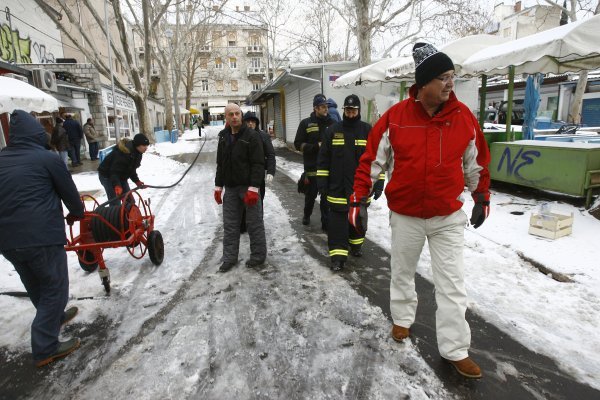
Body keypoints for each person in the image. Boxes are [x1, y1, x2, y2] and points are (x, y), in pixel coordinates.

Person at [350, 43, 491, 379]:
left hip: (447, 216)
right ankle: (401, 320)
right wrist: (358, 199)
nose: (449, 83)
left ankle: (456, 350)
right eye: (443, 77)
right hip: (407, 215)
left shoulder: (463, 118)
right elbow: (371, 161)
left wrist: (481, 196)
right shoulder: (396, 118)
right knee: (402, 272)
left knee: (452, 285)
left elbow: (476, 162)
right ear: (424, 82)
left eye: (452, 77)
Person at [0, 110, 84, 367]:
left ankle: (55, 318)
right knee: (55, 289)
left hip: (7, 241)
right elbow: (68, 192)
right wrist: (78, 213)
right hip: (41, 236)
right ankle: (45, 347)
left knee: (35, 284)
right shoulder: (47, 158)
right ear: (38, 133)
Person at [317, 94, 384, 271]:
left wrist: (379, 181)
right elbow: (323, 158)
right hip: (337, 188)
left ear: (358, 111)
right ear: (344, 110)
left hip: (360, 189)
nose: (351, 113)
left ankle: (356, 246)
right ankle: (338, 258)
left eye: (353, 110)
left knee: (358, 220)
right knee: (337, 224)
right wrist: (322, 181)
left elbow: (378, 159)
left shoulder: (368, 131)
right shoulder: (332, 130)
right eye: (348, 110)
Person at [214, 104, 266, 272]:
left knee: (254, 223)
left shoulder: (251, 136)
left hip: (248, 189)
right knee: (230, 225)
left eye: (237, 113)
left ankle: (258, 256)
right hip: (230, 189)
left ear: (241, 116)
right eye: (231, 114)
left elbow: (258, 164)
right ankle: (230, 258)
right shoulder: (223, 137)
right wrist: (218, 186)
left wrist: (253, 188)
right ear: (226, 118)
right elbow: (220, 165)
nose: (234, 117)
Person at [294, 94, 334, 231]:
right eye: (323, 106)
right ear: (315, 108)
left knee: (325, 198)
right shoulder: (306, 123)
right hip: (312, 167)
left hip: (328, 168)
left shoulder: (332, 123)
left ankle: (326, 222)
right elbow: (297, 144)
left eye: (326, 106)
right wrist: (314, 147)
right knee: (310, 196)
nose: (325, 109)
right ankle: (307, 214)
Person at [98, 133, 149, 206]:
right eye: (144, 145)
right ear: (138, 145)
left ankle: (128, 216)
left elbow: (131, 169)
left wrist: (137, 181)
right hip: (107, 175)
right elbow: (114, 172)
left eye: (147, 145)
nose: (146, 147)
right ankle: (114, 216)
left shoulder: (138, 153)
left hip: (121, 175)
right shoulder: (123, 153)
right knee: (115, 201)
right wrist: (117, 186)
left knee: (129, 200)